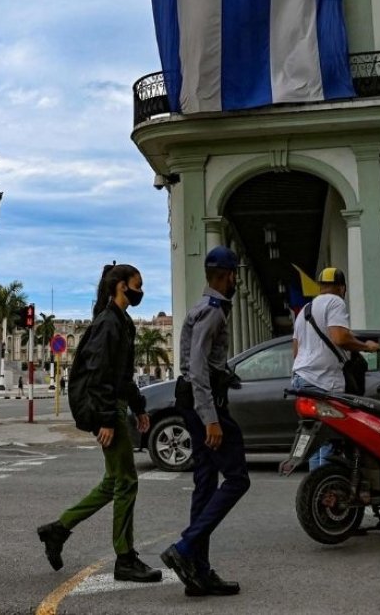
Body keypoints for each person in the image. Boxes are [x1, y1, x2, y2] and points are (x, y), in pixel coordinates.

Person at [36, 263, 162, 584]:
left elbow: (122, 373)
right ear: (121, 286)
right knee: (127, 482)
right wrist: (106, 419)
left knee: (112, 482)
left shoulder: (121, 322)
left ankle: (58, 530)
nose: (140, 291)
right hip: (108, 411)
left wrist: (138, 406)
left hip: (117, 406)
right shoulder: (109, 323)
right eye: (137, 284)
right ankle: (125, 558)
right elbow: (99, 374)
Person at [160, 247, 249, 597]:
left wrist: (226, 374)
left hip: (196, 398)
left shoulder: (205, 308)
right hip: (202, 404)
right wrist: (211, 419)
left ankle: (198, 571)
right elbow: (197, 369)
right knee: (238, 477)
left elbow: (206, 364)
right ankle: (184, 549)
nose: (235, 281)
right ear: (228, 276)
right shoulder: (213, 313)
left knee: (205, 481)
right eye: (234, 275)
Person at [290, 267, 380, 471]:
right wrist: (366, 346)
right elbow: (339, 337)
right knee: (331, 438)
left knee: (314, 438)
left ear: (320, 287)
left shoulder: (305, 310)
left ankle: (315, 490)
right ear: (342, 288)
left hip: (302, 379)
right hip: (323, 380)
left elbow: (296, 351)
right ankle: (327, 493)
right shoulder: (335, 302)